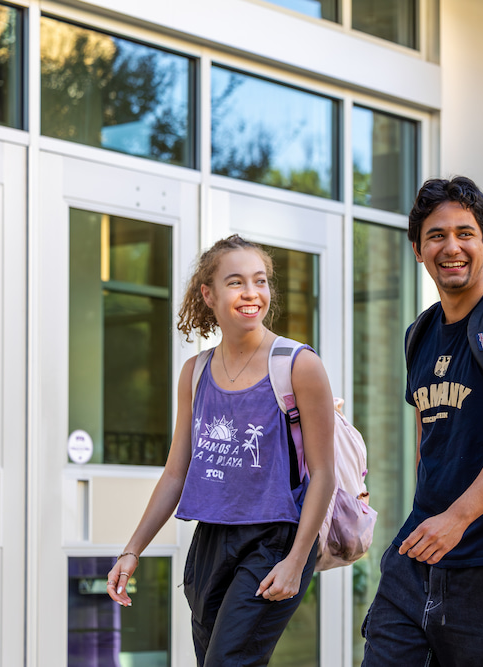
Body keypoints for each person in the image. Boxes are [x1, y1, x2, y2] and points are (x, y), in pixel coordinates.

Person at [106, 235, 336, 666]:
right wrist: (132, 550)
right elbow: (177, 471)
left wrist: (296, 559)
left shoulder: (298, 365)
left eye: (260, 281)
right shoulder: (195, 373)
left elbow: (324, 473)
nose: (252, 293)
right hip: (211, 539)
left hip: (275, 538)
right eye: (236, 282)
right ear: (208, 294)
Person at [360, 176, 483, 666]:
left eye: (465, 234)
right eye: (436, 235)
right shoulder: (421, 332)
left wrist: (457, 519)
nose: (452, 247)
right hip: (421, 553)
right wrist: (428, 515)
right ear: (417, 250)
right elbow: (429, 434)